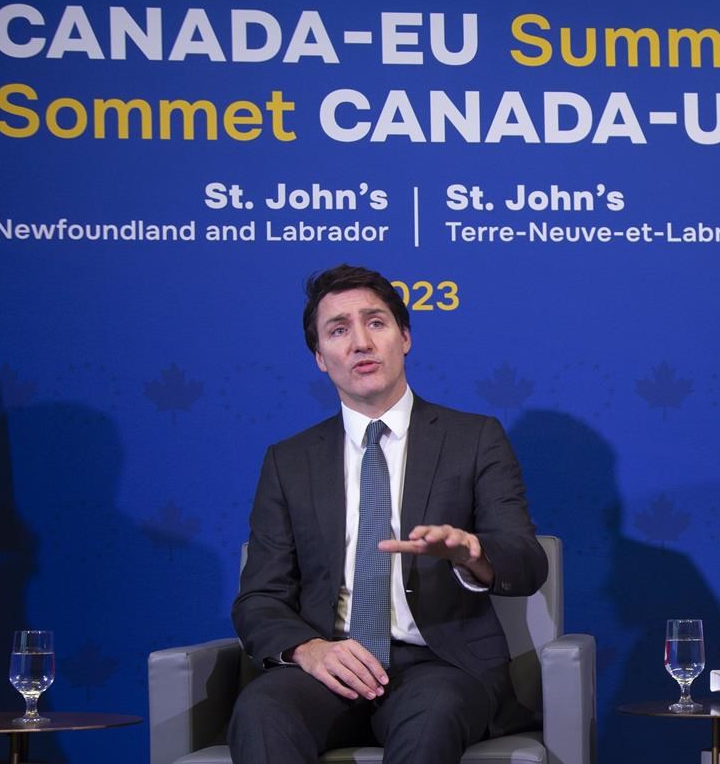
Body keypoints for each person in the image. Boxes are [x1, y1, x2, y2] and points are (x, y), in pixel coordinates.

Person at [229, 264, 548, 764]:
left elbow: (526, 561)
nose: (361, 343)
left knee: (433, 715)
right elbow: (259, 597)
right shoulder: (288, 461)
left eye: (375, 323)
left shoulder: (473, 439)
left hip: (440, 666)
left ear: (405, 338)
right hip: (332, 663)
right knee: (262, 710)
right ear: (320, 358)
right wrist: (309, 650)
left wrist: (474, 555)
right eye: (339, 330)